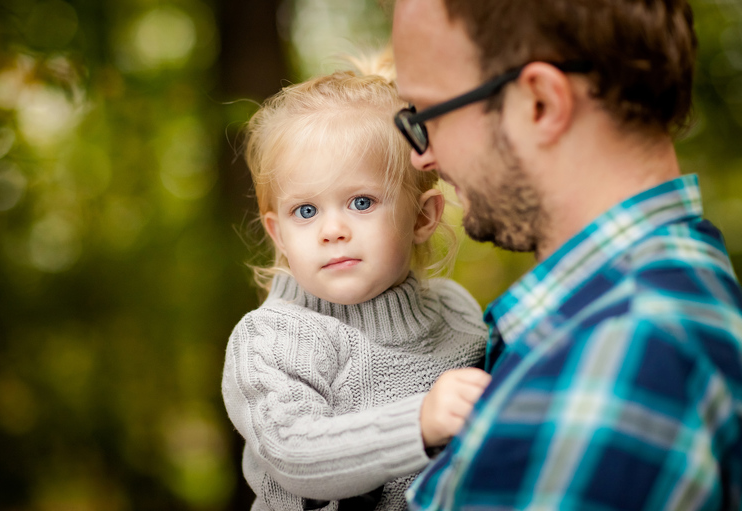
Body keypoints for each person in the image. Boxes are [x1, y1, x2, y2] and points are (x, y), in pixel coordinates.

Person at [391, 0, 742, 509]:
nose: (419, 155)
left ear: (540, 103)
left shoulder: (609, 366)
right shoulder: (680, 293)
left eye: (426, 114)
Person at [221, 53, 491, 511]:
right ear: (278, 234)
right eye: (305, 211)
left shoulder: (456, 311)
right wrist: (418, 424)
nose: (332, 230)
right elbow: (294, 452)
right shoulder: (271, 340)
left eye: (361, 202)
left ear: (422, 217)